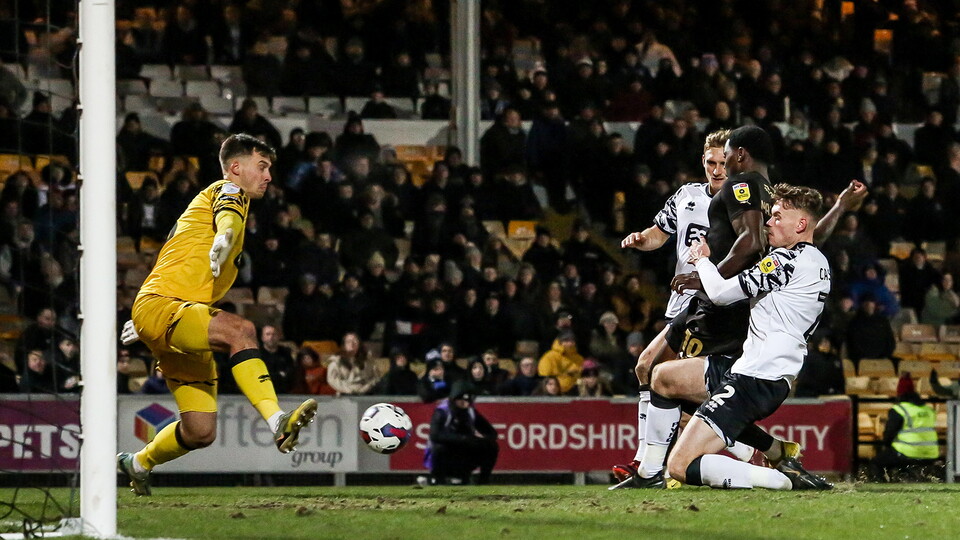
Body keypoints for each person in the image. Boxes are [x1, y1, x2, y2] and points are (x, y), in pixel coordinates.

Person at [117, 134, 318, 496]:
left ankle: (137, 463)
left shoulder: (203, 207)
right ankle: (278, 421)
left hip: (169, 312)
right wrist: (224, 234)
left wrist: (147, 323)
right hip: (166, 307)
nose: (268, 175)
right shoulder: (229, 191)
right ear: (236, 167)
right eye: (262, 166)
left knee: (200, 431)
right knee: (241, 329)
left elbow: (178, 256)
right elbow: (228, 216)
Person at [659, 184, 833, 491]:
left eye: (778, 216)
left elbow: (721, 294)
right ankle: (774, 451)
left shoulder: (786, 261)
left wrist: (701, 259)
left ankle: (782, 479)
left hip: (754, 379)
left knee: (679, 466)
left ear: (801, 224)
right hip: (757, 372)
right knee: (664, 378)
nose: (769, 222)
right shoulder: (818, 262)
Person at [424, 380, 499, 485]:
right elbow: (435, 435)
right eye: (461, 400)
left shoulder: (470, 411)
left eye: (468, 401)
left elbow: (492, 433)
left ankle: (483, 481)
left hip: (465, 454)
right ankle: (438, 479)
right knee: (438, 448)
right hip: (446, 454)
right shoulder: (442, 411)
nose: (464, 404)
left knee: (492, 446)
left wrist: (480, 440)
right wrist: (463, 438)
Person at [868, 379, 939, 482]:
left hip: (907, 452)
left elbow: (889, 433)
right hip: (931, 454)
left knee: (876, 463)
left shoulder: (900, 409)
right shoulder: (928, 410)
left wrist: (886, 445)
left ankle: (884, 487)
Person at [326, 332, 379, 396]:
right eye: (348, 341)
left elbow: (375, 377)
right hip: (344, 394)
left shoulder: (368, 361)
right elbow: (332, 380)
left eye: (355, 341)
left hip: (364, 394)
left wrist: (365, 388)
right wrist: (349, 390)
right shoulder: (336, 362)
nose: (352, 343)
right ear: (343, 345)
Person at [537, 330, 584, 394]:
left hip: (573, 391)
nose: (570, 343)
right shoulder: (549, 356)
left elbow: (581, 375)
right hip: (553, 392)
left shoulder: (579, 358)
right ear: (560, 342)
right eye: (566, 341)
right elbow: (545, 375)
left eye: (572, 341)